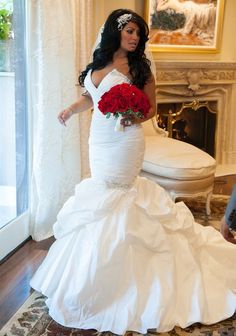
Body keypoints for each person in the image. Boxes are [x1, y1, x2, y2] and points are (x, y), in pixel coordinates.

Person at [30, 8, 236, 335]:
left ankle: (127, 277)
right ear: (116, 31)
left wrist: (132, 117)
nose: (134, 37)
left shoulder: (140, 67)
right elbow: (91, 98)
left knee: (120, 194)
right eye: (129, 31)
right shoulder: (99, 62)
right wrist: (71, 109)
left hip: (125, 140)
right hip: (99, 138)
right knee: (100, 192)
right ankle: (92, 275)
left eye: (138, 34)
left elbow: (150, 107)